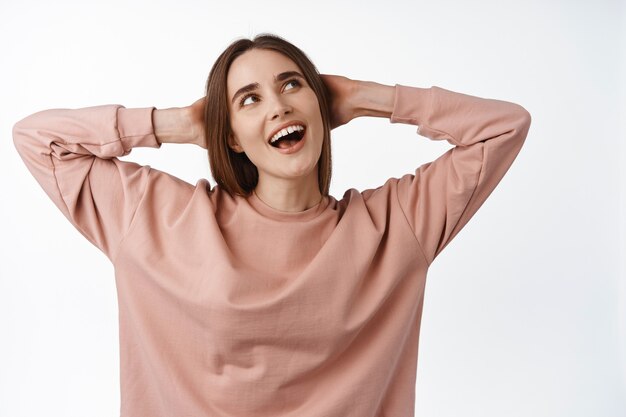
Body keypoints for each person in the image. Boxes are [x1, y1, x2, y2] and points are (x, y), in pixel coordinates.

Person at [13, 33, 531, 417]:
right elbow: (38, 140)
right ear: (232, 136)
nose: (279, 104)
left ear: (321, 107)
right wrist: (175, 124)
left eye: (292, 85)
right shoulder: (157, 216)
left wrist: (371, 97)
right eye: (249, 99)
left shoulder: (395, 226)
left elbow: (505, 125)